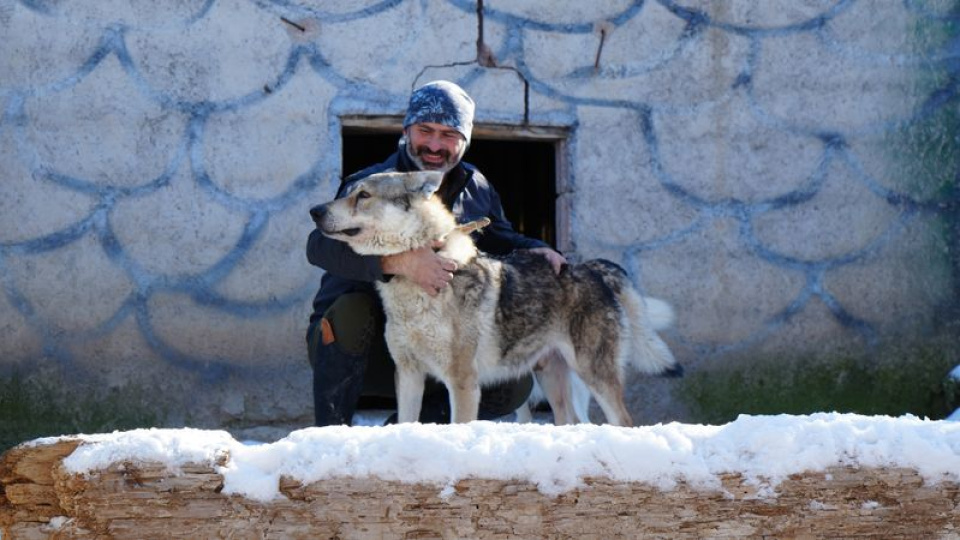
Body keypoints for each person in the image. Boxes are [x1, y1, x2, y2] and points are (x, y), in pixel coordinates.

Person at [305, 80, 566, 426]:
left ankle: (413, 431)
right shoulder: (370, 184)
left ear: (465, 140)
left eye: (448, 134)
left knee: (513, 385)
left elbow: (502, 238)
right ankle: (332, 439)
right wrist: (400, 262)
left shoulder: (476, 187)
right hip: (364, 348)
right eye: (425, 130)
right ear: (407, 130)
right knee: (352, 311)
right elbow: (319, 245)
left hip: (442, 336)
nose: (434, 144)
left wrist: (540, 249)